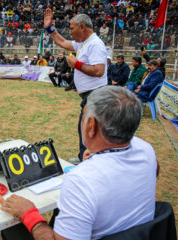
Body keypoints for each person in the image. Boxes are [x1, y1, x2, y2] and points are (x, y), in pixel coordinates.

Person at [1, 86, 157, 240]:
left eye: (83, 116)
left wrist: (28, 213)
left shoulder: (82, 180)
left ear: (91, 125)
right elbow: (153, 170)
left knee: (11, 230)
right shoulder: (147, 150)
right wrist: (99, 156)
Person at [44, 11, 107, 164]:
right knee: (85, 128)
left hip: (95, 94)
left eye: (72, 28)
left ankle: (86, 160)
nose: (70, 32)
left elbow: (99, 71)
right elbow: (63, 42)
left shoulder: (95, 44)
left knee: (88, 130)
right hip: (90, 95)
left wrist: (76, 64)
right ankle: (83, 157)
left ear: (82, 27)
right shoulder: (84, 43)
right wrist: (49, 29)